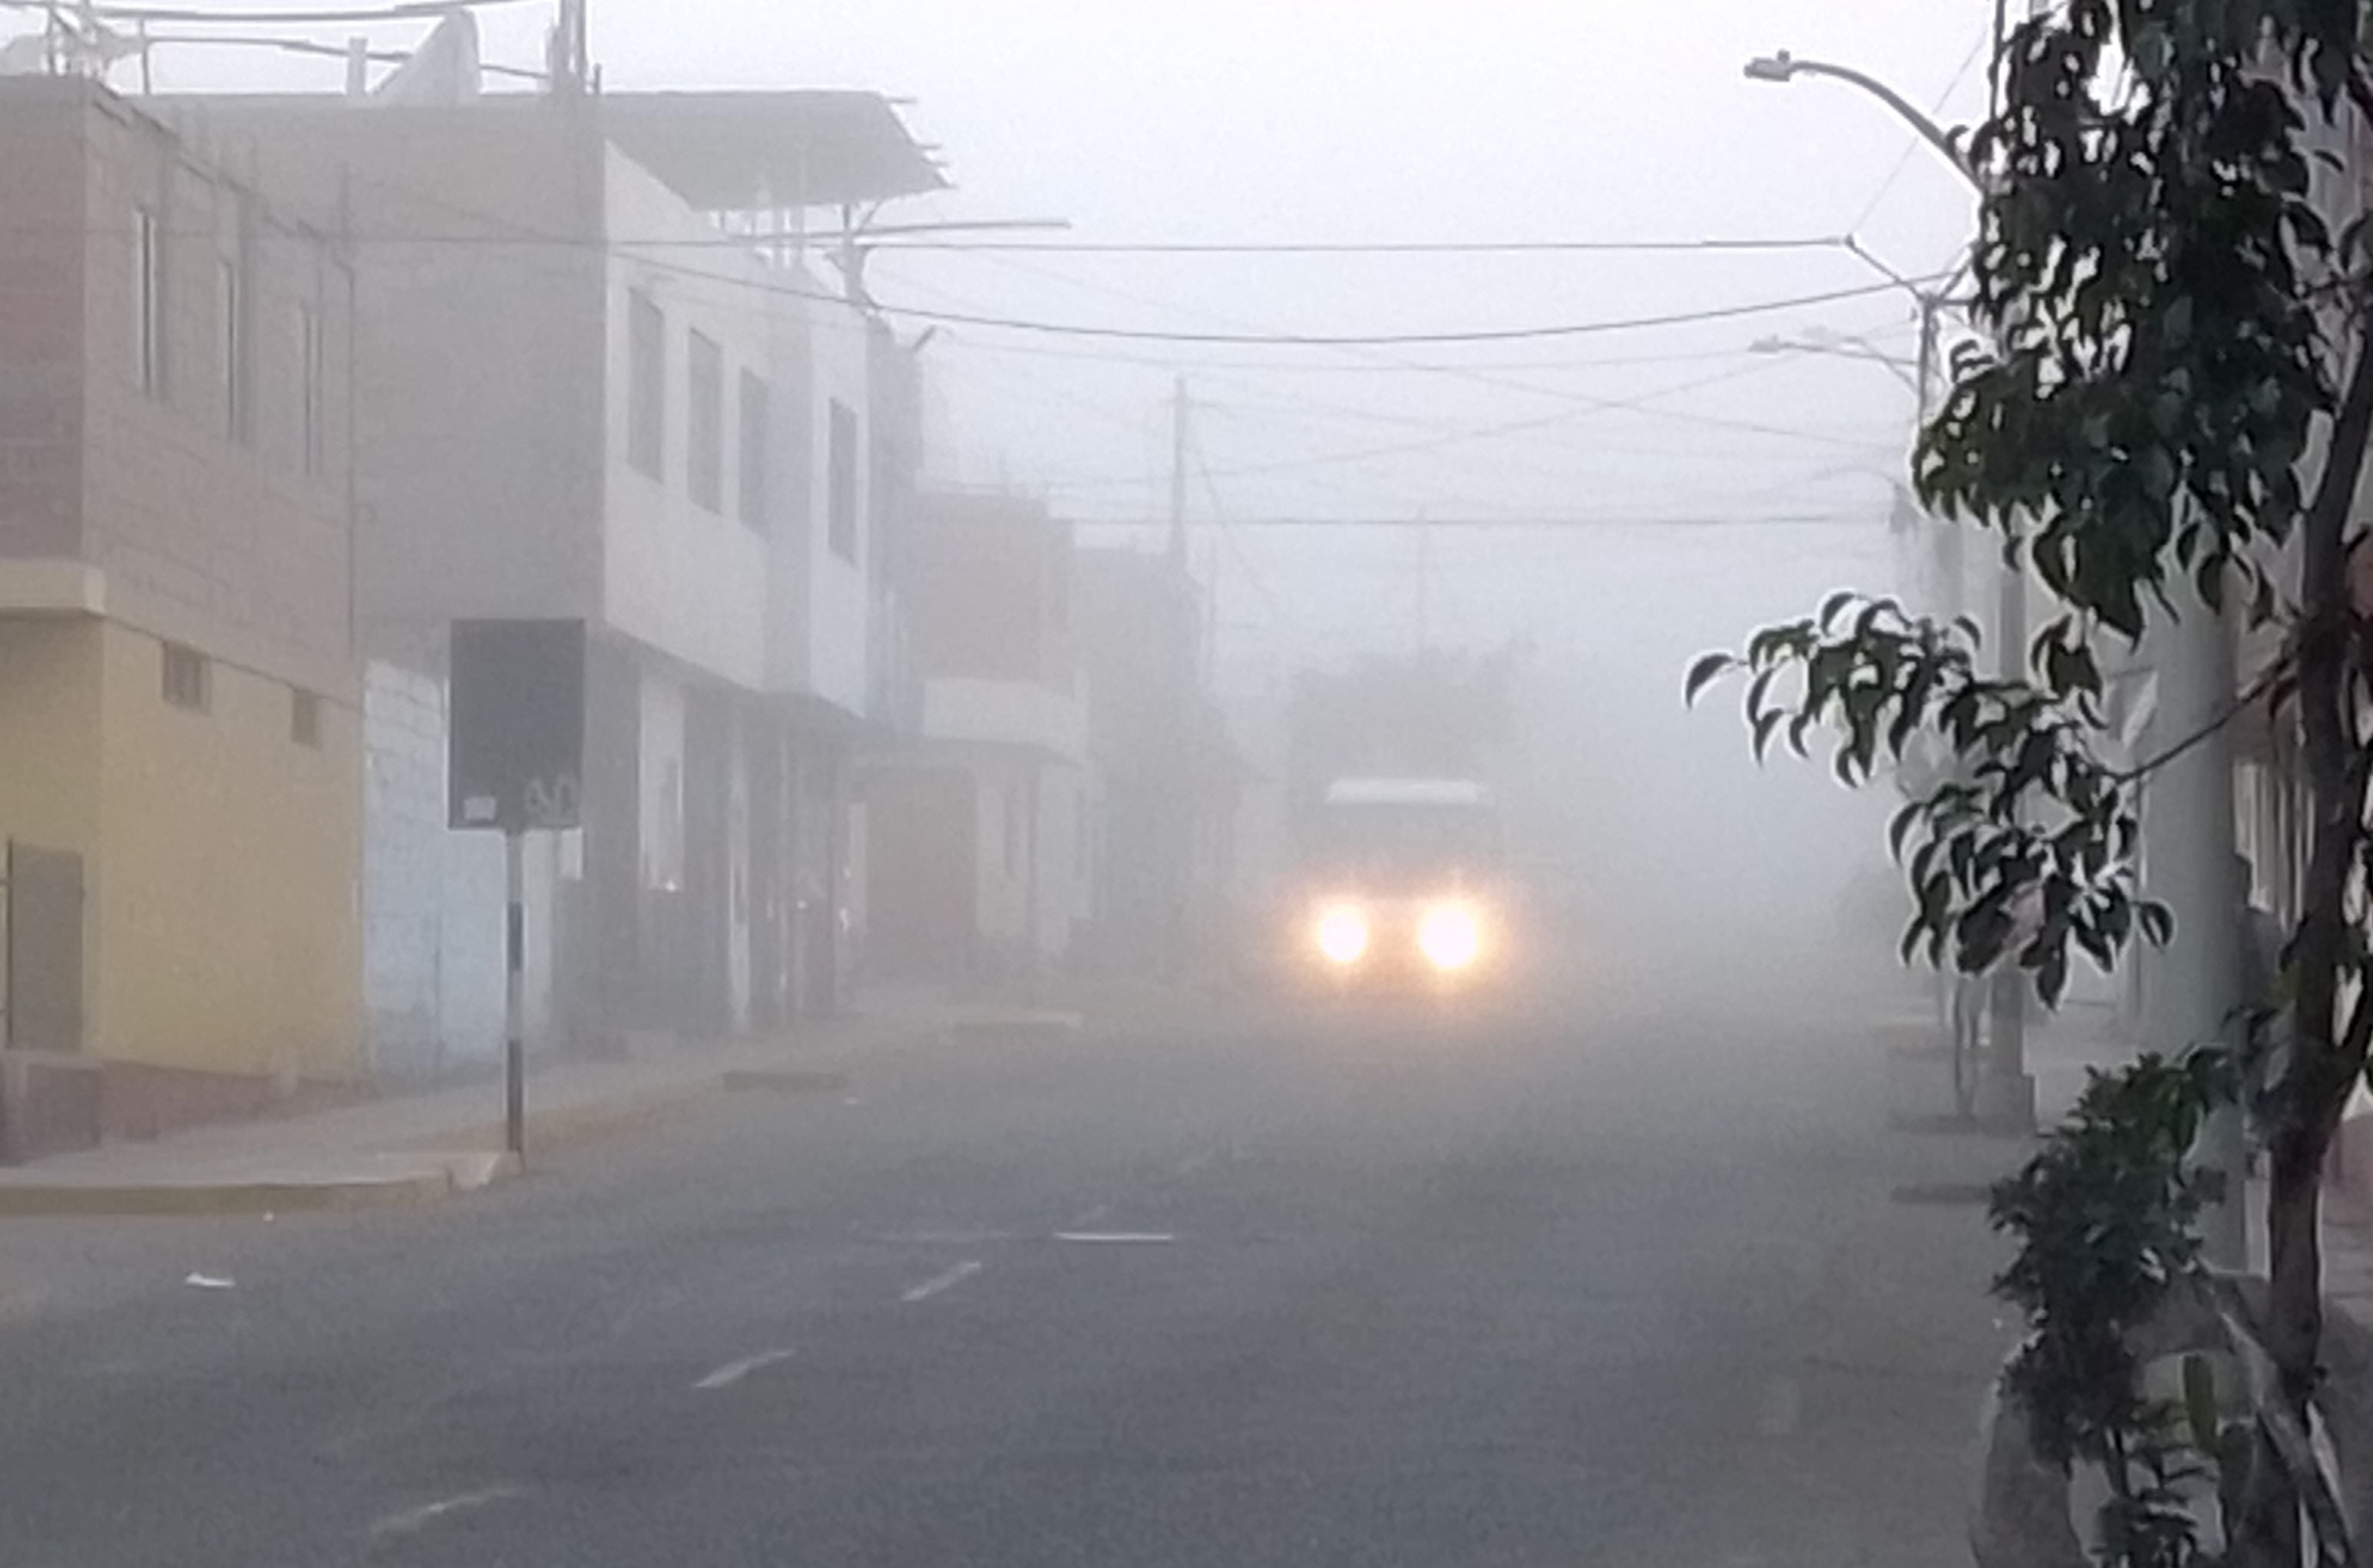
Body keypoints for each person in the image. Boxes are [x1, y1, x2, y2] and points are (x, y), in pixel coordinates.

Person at [2233, 853, 2289, 1155]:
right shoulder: (2262, 925)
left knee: (2251, 1082)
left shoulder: (2262, 926)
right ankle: (2248, 1140)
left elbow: (2277, 972)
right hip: (2249, 1016)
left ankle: (2249, 1141)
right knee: (2247, 1083)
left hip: (2255, 1017)